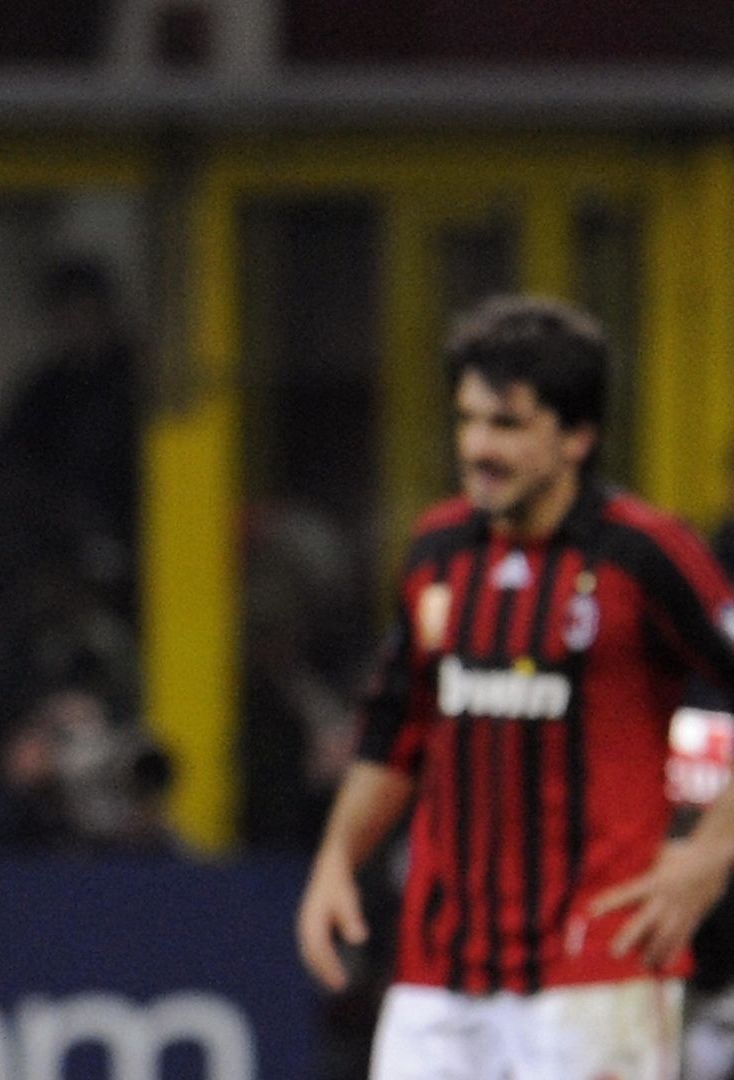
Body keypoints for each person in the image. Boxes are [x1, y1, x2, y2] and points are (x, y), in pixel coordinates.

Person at [295, 295, 734, 1079]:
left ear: (577, 437)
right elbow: (398, 722)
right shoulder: (437, 548)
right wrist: (336, 858)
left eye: (506, 425)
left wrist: (714, 849)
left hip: (598, 967)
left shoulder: (647, 553)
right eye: (467, 421)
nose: (477, 448)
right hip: (438, 970)